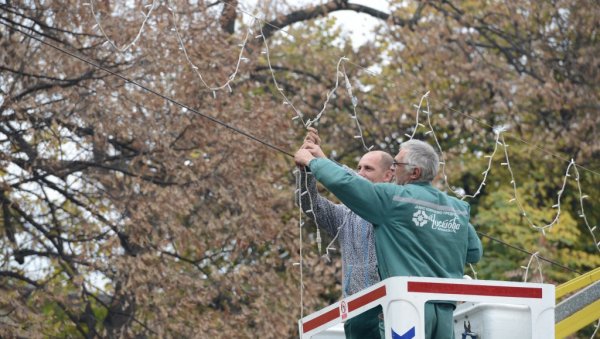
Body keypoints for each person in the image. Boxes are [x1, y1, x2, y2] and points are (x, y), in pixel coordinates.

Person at [295, 139, 483, 339]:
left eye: (397, 164)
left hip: (401, 309)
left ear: (414, 172)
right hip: (443, 313)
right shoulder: (456, 207)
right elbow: (473, 253)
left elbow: (348, 184)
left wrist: (312, 162)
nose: (394, 167)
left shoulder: (392, 199)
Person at [298, 128, 393, 339]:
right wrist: (307, 169)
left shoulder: (392, 208)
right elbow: (308, 205)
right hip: (354, 311)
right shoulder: (344, 216)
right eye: (358, 167)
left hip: (386, 312)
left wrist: (321, 161)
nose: (360, 172)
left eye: (368, 168)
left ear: (388, 176)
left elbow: (354, 185)